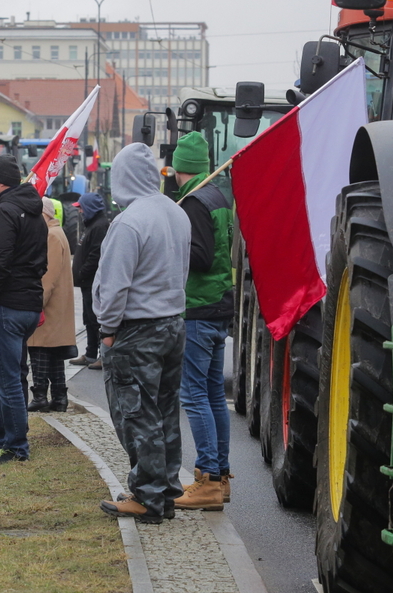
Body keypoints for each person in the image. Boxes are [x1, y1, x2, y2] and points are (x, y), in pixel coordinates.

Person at [93, 142, 190, 524]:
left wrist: (107, 329)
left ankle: (146, 496)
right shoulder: (175, 213)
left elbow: (115, 285)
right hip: (172, 323)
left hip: (135, 330)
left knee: (136, 414)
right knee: (165, 410)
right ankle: (165, 491)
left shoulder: (130, 221)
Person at [171, 132, 235, 510]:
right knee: (212, 395)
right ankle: (221, 475)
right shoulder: (218, 197)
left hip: (197, 307)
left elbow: (200, 257)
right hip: (218, 305)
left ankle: (208, 478)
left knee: (193, 396)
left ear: (180, 167)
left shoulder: (194, 201)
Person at [0, 155, 47, 468]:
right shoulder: (33, 212)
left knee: (5, 380)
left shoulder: (4, 213)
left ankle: (16, 445)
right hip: (28, 304)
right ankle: (4, 439)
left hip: (6, 305)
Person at [27, 196, 76, 413]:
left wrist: (37, 302)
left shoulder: (51, 236)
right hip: (57, 305)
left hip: (50, 306)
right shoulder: (57, 232)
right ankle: (59, 397)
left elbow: (48, 276)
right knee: (54, 353)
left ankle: (40, 395)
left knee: (38, 349)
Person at [70, 192, 109, 370]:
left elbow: (95, 255)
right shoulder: (93, 225)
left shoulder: (99, 227)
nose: (80, 212)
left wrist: (82, 273)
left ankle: (102, 355)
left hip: (93, 282)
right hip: (87, 282)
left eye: (81, 208)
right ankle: (91, 353)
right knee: (88, 319)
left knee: (95, 320)